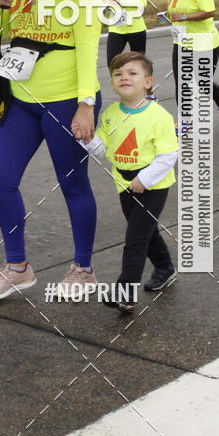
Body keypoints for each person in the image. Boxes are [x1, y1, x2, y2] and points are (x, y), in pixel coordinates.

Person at [0, 0, 102, 302]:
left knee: (73, 184)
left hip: (66, 98)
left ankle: (83, 269)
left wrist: (86, 103)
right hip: (19, 96)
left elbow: (88, 42)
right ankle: (17, 266)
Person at [80, 52, 177, 312]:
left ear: (148, 82)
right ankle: (166, 267)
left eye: (132, 73)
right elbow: (103, 149)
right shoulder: (110, 114)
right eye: (118, 74)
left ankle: (126, 292)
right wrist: (88, 139)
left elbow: (168, 155)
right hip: (123, 184)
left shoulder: (159, 116)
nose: (124, 77)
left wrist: (144, 178)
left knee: (135, 239)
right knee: (146, 232)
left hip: (152, 185)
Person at [158, 0, 219, 127]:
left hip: (204, 41)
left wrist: (184, 17)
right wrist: (167, 14)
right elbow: (175, 9)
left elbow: (210, 12)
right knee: (181, 81)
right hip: (182, 41)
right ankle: (185, 120)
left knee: (202, 81)